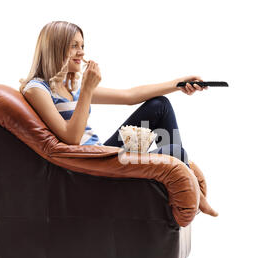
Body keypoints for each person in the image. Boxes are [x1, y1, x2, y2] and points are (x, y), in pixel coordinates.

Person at [20, 21, 217, 217]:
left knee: (160, 106)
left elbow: (129, 96)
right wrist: (88, 89)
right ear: (55, 47)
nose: (81, 52)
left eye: (82, 46)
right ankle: (191, 191)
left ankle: (183, 186)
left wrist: (178, 84)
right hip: (89, 166)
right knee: (174, 152)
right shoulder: (37, 88)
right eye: (73, 46)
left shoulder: (71, 88)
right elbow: (71, 139)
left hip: (102, 155)